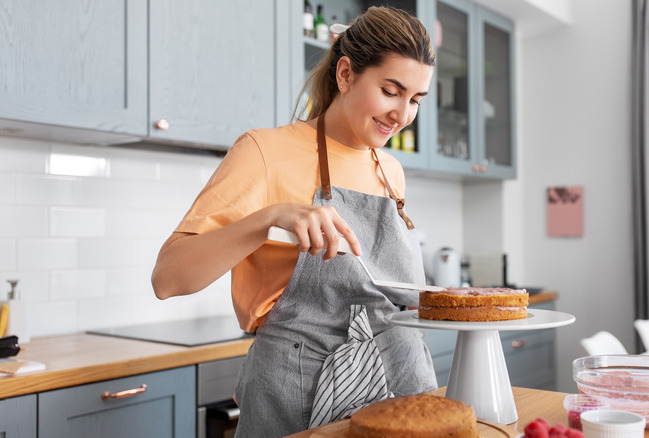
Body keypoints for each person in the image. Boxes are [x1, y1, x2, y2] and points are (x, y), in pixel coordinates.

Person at [151, 6, 438, 437]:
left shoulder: (390, 169)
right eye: (390, 91)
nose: (402, 115)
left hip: (397, 385)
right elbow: (167, 279)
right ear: (345, 74)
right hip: (297, 392)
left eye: (415, 99)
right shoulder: (264, 152)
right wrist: (269, 217)